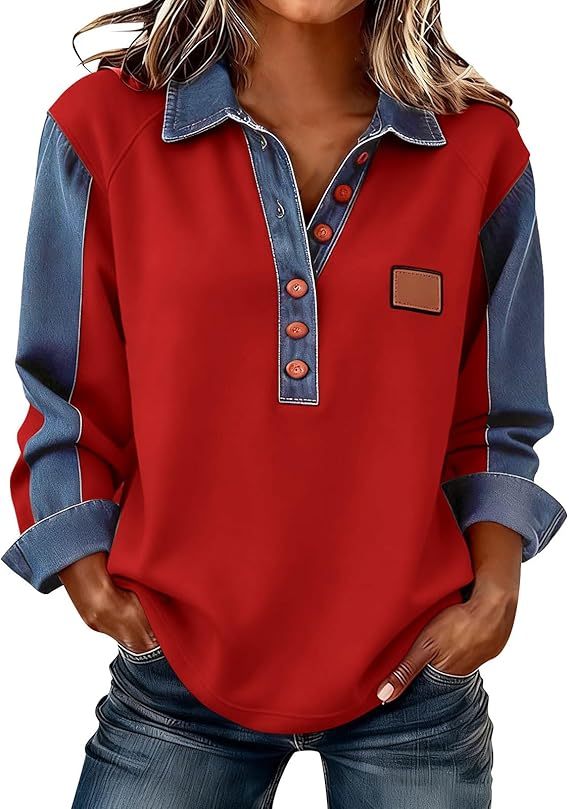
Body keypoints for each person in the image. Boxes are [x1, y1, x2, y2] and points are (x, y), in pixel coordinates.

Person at [3, 1, 565, 806]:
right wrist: (81, 562)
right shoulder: (102, 127)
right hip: (176, 674)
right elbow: (66, 383)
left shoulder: (478, 147)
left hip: (416, 676)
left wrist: (497, 584)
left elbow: (495, 410)